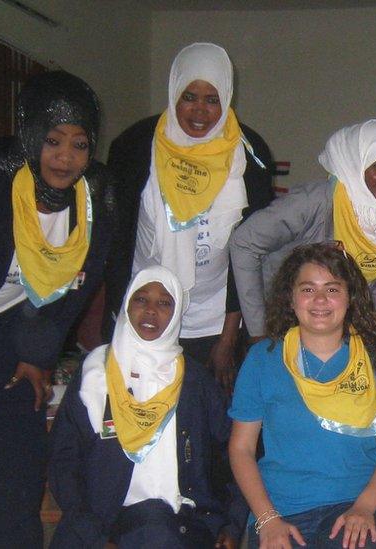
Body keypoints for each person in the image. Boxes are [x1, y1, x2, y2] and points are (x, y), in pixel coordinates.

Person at [0, 71, 113, 546]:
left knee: (18, 471)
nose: (65, 157)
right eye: (52, 141)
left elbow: (78, 285)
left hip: (11, 337)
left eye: (79, 144)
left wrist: (39, 354)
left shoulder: (97, 196)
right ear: (30, 135)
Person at [106, 42, 274, 390]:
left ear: (227, 98)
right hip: (144, 313)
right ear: (173, 92)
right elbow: (116, 238)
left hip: (216, 321)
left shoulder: (250, 157)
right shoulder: (136, 146)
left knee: (211, 425)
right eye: (189, 96)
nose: (200, 110)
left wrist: (229, 338)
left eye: (212, 99)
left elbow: (251, 254)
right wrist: (115, 312)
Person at [228, 243, 376, 548]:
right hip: (280, 510)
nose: (321, 300)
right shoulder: (263, 358)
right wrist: (267, 519)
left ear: (350, 297)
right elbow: (241, 448)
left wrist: (365, 506)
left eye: (333, 288)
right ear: (291, 297)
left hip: (355, 504)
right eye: (308, 289)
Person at [49, 266, 237, 548]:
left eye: (164, 303)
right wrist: (93, 535)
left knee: (156, 532)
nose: (151, 311)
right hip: (99, 520)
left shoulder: (194, 381)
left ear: (177, 314)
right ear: (126, 305)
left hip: (177, 520)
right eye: (141, 299)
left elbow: (231, 452)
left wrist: (230, 525)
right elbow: (64, 459)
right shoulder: (95, 373)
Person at [230, 120, 376, 344]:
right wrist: (258, 329)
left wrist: (367, 325)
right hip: (288, 323)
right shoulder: (314, 201)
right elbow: (244, 242)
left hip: (341, 327)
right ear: (355, 163)